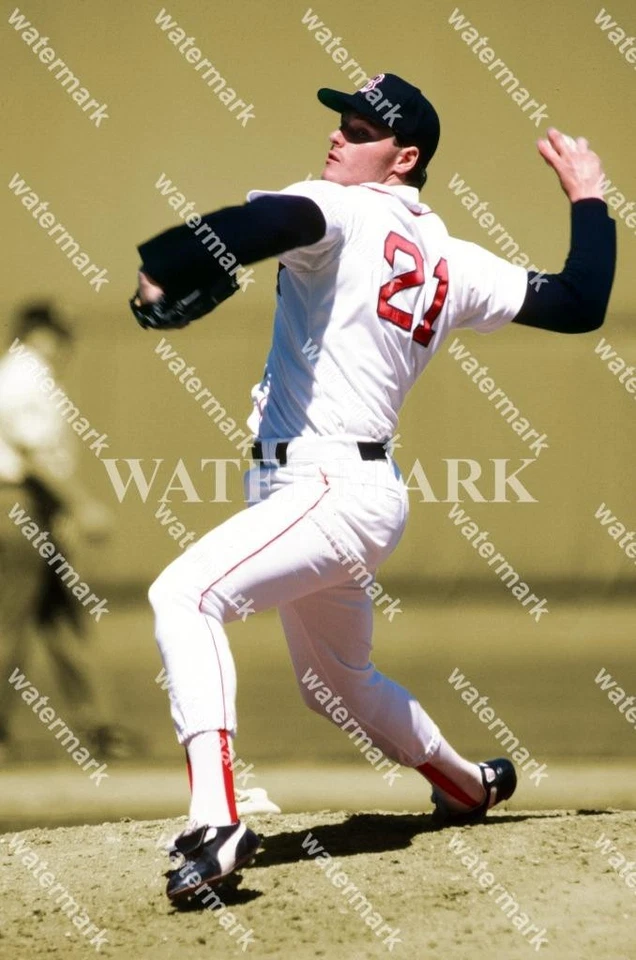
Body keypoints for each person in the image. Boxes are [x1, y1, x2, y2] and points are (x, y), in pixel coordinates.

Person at [132, 73, 616, 902]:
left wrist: (160, 268)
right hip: (345, 491)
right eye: (342, 121)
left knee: (183, 596)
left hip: (325, 487)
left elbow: (264, 223)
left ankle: (215, 821)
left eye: (363, 129)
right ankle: (466, 783)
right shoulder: (451, 257)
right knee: (336, 684)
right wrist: (588, 200)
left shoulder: (340, 208)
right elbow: (579, 301)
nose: (339, 136)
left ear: (405, 158)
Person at [0, 303, 130, 761]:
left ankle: (100, 727)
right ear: (39, 333)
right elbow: (32, 456)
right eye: (59, 334)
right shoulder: (22, 375)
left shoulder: (31, 375)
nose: (65, 346)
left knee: (62, 621)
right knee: (7, 626)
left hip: (34, 507)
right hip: (15, 502)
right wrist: (83, 505)